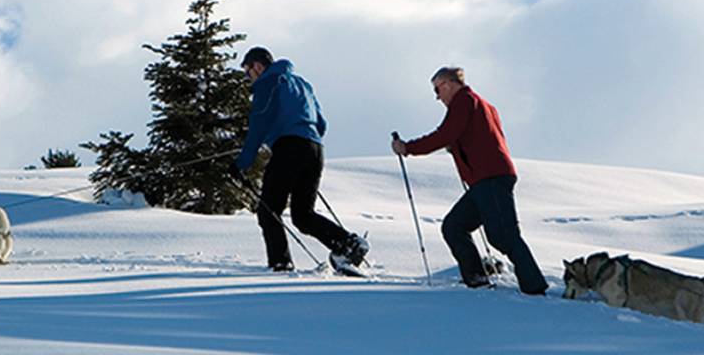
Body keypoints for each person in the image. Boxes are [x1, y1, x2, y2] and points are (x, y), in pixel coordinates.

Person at [392, 66, 548, 295]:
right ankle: (476, 279)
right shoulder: (483, 105)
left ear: (448, 84)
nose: (437, 97)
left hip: (490, 178)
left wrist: (408, 148)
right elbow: (466, 135)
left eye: (437, 89)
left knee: (502, 234)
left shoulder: (463, 102)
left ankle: (534, 286)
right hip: (485, 179)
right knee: (455, 226)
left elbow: (445, 134)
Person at [232, 47, 367, 273]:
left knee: (268, 210)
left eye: (247, 72)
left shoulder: (268, 83)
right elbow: (321, 123)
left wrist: (242, 163)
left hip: (289, 148)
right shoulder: (303, 84)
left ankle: (281, 265)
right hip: (314, 149)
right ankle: (348, 243)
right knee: (303, 215)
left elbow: (258, 124)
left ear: (257, 66)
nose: (248, 78)